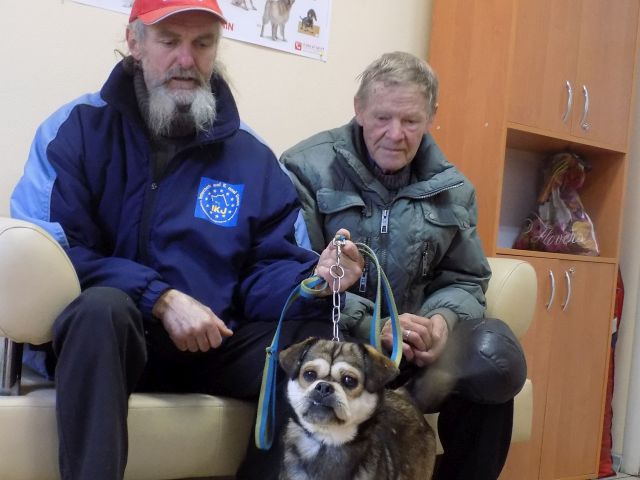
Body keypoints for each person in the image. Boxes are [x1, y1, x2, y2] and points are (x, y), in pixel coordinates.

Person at [9, 1, 364, 479]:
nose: (186, 59)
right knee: (100, 309)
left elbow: (266, 269)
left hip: (212, 343)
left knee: (313, 345)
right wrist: (159, 298)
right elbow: (56, 256)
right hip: (110, 339)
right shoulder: (76, 129)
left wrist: (316, 280)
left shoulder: (252, 157)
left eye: (202, 43)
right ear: (135, 42)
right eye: (170, 41)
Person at [280, 51, 527, 480]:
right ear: (359, 109)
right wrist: (372, 326)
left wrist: (440, 322)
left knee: (491, 369)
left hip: (418, 353)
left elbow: (466, 279)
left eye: (411, 121)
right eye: (382, 118)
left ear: (431, 116)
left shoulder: (455, 189)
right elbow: (296, 273)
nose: (396, 134)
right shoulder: (305, 167)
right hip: (342, 342)